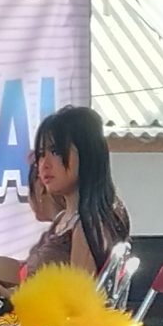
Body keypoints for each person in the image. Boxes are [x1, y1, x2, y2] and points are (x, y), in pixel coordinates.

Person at [25, 105, 130, 277]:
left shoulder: (87, 226)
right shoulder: (63, 220)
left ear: (87, 152)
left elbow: (79, 300)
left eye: (55, 151)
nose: (44, 164)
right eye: (41, 154)